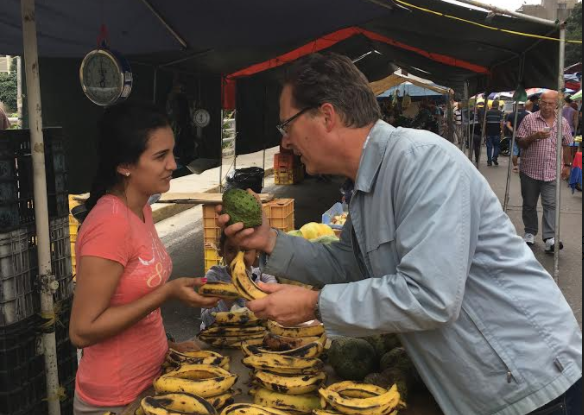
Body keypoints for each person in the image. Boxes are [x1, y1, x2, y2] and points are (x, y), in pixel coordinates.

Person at [219, 53, 582, 415]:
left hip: (537, 388)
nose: (285, 142)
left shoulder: (422, 162)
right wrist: (270, 241)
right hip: (486, 392)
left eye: (287, 126)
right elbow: (350, 264)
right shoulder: (365, 187)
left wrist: (313, 304)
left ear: (326, 116)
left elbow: (430, 295)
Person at [69, 103, 219, 415]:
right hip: (115, 399)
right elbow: (82, 331)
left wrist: (168, 348)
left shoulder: (141, 209)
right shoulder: (109, 224)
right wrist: (166, 293)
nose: (174, 164)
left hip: (152, 381)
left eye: (172, 153)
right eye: (160, 156)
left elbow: (133, 298)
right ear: (125, 165)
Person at [517, 91, 574, 253]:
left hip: (552, 170)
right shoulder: (529, 119)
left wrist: (568, 165)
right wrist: (535, 136)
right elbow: (520, 142)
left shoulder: (562, 122)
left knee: (550, 204)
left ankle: (550, 238)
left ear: (557, 105)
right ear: (539, 103)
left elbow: (567, 144)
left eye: (551, 103)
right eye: (544, 103)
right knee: (529, 203)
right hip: (530, 170)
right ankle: (529, 232)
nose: (547, 106)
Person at [200, 232, 276, 330]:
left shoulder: (261, 274)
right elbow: (207, 320)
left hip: (251, 334)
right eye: (231, 250)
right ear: (222, 251)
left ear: (256, 251)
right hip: (219, 335)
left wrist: (260, 291)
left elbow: (273, 291)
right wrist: (228, 296)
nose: (238, 257)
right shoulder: (214, 276)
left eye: (245, 250)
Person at [506, 102, 529, 173]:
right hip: (524, 136)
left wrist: (514, 131)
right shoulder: (527, 114)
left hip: (513, 136)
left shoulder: (511, 114)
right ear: (523, 106)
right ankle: (523, 166)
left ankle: (515, 167)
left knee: (514, 152)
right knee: (524, 151)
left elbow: (508, 125)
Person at [485, 100, 504, 166]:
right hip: (497, 132)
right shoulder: (500, 113)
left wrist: (484, 131)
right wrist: (502, 131)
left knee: (489, 147)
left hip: (489, 132)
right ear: (498, 105)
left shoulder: (487, 112)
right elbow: (501, 123)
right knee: (497, 145)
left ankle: (489, 161)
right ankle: (494, 157)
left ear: (492, 105)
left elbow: (485, 122)